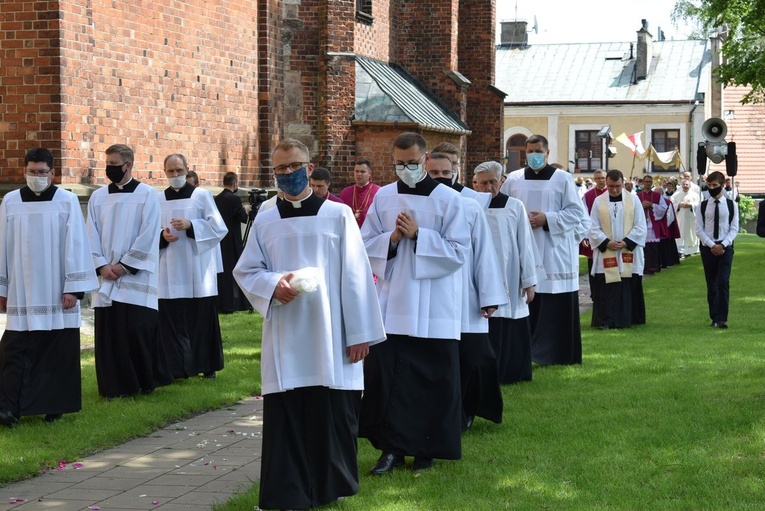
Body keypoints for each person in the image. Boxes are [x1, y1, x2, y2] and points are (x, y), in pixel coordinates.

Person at [233, 139, 385, 510]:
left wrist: (361, 333)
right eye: (280, 169)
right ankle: (288, 492)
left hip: (330, 332)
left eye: (294, 166)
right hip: (286, 331)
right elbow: (247, 269)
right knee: (288, 413)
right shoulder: (266, 217)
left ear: (309, 165)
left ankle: (327, 487)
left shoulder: (338, 215)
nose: (288, 174)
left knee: (328, 410)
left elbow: (356, 275)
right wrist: (273, 286)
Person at [360, 132, 470, 473]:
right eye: (399, 163)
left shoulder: (448, 200)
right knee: (390, 377)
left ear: (424, 160)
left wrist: (420, 235)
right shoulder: (384, 198)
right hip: (393, 303)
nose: (405, 168)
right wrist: (391, 239)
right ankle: (390, 450)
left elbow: (459, 251)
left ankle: (427, 450)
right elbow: (365, 245)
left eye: (411, 163)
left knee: (432, 379)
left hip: (435, 305)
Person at [0, 148, 99, 427]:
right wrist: (2, 289)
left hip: (57, 292)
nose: (37, 177)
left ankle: (54, 405)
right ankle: (9, 408)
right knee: (14, 349)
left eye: (42, 172)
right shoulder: (10, 201)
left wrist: (74, 288)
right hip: (22, 290)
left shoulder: (66, 201)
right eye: (32, 172)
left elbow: (77, 244)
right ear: (24, 171)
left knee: (55, 350)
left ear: (53, 173)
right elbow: (2, 247)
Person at [425, 153, 506, 431]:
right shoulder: (418, 205)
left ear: (455, 173)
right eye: (433, 173)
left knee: (473, 358)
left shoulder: (470, 207)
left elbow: (484, 252)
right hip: (431, 293)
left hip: (465, 294)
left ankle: (469, 408)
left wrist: (489, 295)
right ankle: (447, 411)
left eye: (445, 173)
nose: (440, 178)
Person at [86, 144, 170, 398]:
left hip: (135, 274)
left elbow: (149, 233)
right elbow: (90, 233)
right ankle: (113, 387)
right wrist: (101, 264)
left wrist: (124, 266)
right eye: (107, 164)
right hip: (106, 275)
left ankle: (142, 383)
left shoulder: (147, 195)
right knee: (109, 333)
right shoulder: (98, 197)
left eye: (113, 164)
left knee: (136, 329)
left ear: (128, 165)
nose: (109, 169)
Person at [499, 134, 589, 366]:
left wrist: (546, 219)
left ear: (547, 153)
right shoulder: (514, 179)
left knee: (554, 308)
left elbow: (576, 213)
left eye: (538, 151)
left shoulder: (563, 178)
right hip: (523, 249)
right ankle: (525, 354)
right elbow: (504, 209)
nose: (533, 155)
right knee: (527, 304)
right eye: (529, 151)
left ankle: (557, 355)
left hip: (553, 251)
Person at [158, 154, 228, 379]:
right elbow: (149, 230)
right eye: (170, 171)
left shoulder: (202, 196)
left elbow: (218, 228)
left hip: (197, 267)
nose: (175, 175)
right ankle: (178, 368)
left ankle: (207, 366)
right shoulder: (158, 199)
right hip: (169, 267)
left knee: (200, 319)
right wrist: (162, 236)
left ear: (188, 169)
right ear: (165, 172)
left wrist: (191, 226)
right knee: (172, 320)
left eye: (179, 170)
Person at [474, 161, 541, 384]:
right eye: (483, 183)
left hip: (509, 272)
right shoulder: (470, 206)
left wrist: (529, 280)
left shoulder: (514, 206)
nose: (488, 187)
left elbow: (526, 244)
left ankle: (512, 373)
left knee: (510, 318)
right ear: (476, 184)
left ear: (501, 181)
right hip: (479, 273)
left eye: (493, 181)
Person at [588, 170, 647, 329]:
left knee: (626, 285)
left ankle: (626, 318)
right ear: (606, 184)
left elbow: (641, 226)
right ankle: (605, 320)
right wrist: (606, 242)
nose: (614, 190)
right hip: (607, 250)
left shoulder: (633, 200)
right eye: (610, 186)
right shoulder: (598, 201)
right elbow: (592, 227)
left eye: (617, 186)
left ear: (623, 183)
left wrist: (626, 242)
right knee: (607, 287)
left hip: (627, 251)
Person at [695, 171, 739, 329]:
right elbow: (699, 229)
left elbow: (734, 228)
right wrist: (711, 245)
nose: (712, 188)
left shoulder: (730, 204)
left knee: (723, 281)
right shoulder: (703, 205)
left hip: (725, 247)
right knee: (711, 282)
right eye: (709, 185)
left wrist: (723, 244)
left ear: (722, 185)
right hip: (708, 247)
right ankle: (714, 316)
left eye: (715, 185)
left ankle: (722, 318)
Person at [214, 172, 252, 313]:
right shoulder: (234, 199)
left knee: (223, 273)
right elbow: (242, 218)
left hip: (221, 241)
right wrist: (246, 209)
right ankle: (238, 303)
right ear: (235, 183)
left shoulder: (217, 199)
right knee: (235, 271)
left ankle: (223, 303)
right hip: (233, 241)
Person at [579, 170, 607, 320]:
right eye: (598, 179)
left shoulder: (613, 193)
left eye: (603, 178)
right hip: (593, 235)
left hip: (609, 236)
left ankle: (606, 293)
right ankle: (594, 293)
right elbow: (584, 216)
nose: (601, 181)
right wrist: (585, 235)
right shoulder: (588, 196)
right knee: (593, 266)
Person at [636, 175, 668, 275]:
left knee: (653, 247)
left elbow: (663, 208)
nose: (648, 183)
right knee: (642, 247)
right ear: (643, 183)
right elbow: (632, 209)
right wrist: (641, 205)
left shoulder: (657, 195)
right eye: (646, 182)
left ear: (652, 183)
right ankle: (643, 267)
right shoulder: (638, 196)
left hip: (652, 223)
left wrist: (652, 205)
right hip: (641, 223)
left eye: (650, 182)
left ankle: (654, 267)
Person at [339, 159, 380, 228]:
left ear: (370, 173)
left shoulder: (378, 191)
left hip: (371, 234)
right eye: (356, 171)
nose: (359, 174)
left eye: (362, 172)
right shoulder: (345, 192)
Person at [672, 180, 700, 257]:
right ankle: (680, 250)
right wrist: (678, 205)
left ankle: (692, 250)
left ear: (690, 186)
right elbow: (672, 205)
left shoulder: (695, 195)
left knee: (691, 233)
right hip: (680, 218)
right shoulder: (676, 195)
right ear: (681, 185)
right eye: (684, 184)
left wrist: (691, 205)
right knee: (680, 232)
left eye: (687, 184)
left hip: (691, 218)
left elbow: (699, 205)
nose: (685, 186)